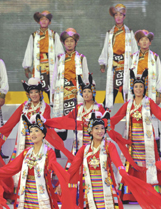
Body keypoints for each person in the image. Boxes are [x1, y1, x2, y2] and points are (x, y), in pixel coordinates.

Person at [67, 111, 128, 209]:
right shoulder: (84, 150)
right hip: (89, 192)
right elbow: (74, 167)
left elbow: (116, 161)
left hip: (106, 190)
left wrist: (122, 170)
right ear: (90, 131)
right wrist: (64, 181)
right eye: (96, 128)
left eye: (102, 128)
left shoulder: (109, 146)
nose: (100, 131)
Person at [110, 70, 161, 202]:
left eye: (141, 86)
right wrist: (105, 122)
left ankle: (150, 193)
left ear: (144, 88)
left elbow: (160, 115)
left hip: (146, 142)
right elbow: (117, 117)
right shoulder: (128, 104)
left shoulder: (149, 102)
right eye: (136, 87)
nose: (138, 89)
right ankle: (129, 194)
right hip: (132, 142)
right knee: (131, 165)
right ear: (132, 88)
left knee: (148, 166)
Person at [51, 28, 89, 157]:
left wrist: (86, 93)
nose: (69, 43)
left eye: (71, 41)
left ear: (76, 42)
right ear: (63, 43)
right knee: (61, 122)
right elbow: (55, 75)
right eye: (67, 41)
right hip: (62, 93)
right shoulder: (60, 58)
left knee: (76, 122)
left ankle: (78, 149)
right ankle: (57, 149)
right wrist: (52, 92)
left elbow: (85, 77)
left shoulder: (81, 58)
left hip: (76, 94)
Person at [129, 29, 161, 156]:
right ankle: (135, 146)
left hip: (150, 91)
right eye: (141, 40)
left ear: (150, 42)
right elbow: (128, 76)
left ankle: (157, 147)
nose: (144, 42)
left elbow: (159, 75)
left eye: (146, 40)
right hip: (136, 92)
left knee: (153, 118)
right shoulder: (133, 57)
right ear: (138, 43)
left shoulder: (154, 57)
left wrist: (159, 93)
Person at [99, 4, 138, 109]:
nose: (119, 17)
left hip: (126, 65)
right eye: (116, 14)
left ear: (124, 17)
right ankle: (103, 116)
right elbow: (106, 48)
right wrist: (102, 62)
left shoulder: (129, 32)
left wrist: (135, 65)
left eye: (121, 14)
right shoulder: (110, 33)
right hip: (114, 66)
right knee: (112, 92)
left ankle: (132, 115)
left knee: (128, 93)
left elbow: (134, 50)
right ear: (114, 17)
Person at [22, 10, 64, 102]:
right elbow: (29, 51)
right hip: (39, 67)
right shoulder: (34, 36)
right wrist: (26, 66)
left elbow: (60, 53)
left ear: (50, 22)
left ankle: (53, 111)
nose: (44, 21)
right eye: (42, 19)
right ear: (38, 21)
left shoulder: (54, 35)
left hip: (51, 67)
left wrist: (60, 66)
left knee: (51, 91)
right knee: (37, 90)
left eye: (46, 19)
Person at [64, 75, 105, 165]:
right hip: (79, 142)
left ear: (93, 93)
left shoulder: (99, 108)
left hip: (94, 142)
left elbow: (105, 124)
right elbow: (66, 119)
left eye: (89, 91)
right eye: (84, 91)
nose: (86, 94)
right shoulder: (78, 108)